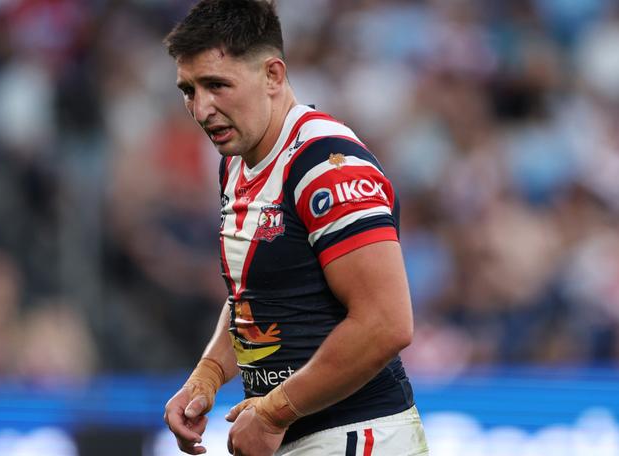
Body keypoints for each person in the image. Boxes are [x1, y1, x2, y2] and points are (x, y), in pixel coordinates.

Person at [162, 1, 429, 455]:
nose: (201, 109)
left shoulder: (326, 165)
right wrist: (208, 373)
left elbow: (386, 323)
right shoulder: (236, 165)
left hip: (356, 435)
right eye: (189, 90)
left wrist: (273, 412)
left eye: (217, 85)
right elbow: (256, 296)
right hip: (301, 434)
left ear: (273, 75)